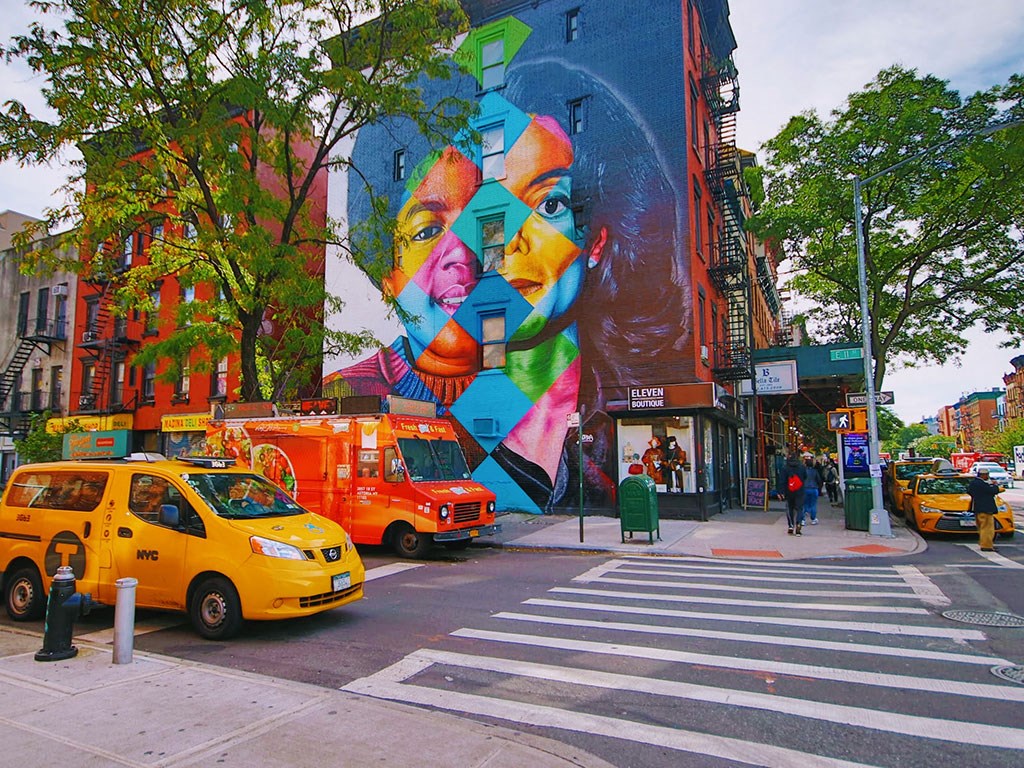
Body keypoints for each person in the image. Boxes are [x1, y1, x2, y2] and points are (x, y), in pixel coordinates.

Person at [325, 58, 685, 515]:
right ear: (386, 276)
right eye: (427, 231)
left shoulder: (614, 403)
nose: (496, 244)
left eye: (548, 204)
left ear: (595, 239)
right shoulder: (365, 397)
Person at [967, 466, 1001, 552]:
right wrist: (995, 485)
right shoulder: (982, 484)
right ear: (983, 475)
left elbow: (969, 491)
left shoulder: (973, 483)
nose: (988, 476)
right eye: (987, 475)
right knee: (987, 528)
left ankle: (983, 543)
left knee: (981, 527)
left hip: (977, 508)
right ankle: (987, 545)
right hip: (986, 508)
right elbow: (992, 490)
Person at [780, 452, 808, 535]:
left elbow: (782, 480)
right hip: (799, 491)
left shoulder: (785, 468)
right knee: (800, 508)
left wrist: (781, 491)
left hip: (788, 491)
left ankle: (791, 525)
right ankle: (799, 523)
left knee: (789, 508)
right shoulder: (802, 467)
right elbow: (805, 477)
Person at [803, 455, 824, 525]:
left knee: (804, 504)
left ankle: (803, 519)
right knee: (813, 504)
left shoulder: (803, 471)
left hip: (805, 488)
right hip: (814, 488)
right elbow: (819, 480)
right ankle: (813, 518)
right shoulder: (815, 471)